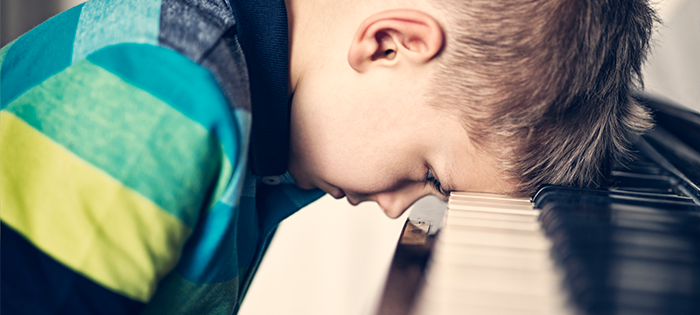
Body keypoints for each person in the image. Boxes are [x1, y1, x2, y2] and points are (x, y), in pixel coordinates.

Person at [0, 0, 655, 313]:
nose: (401, 204)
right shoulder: (164, 92)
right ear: (388, 44)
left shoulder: (256, 123)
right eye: (428, 173)